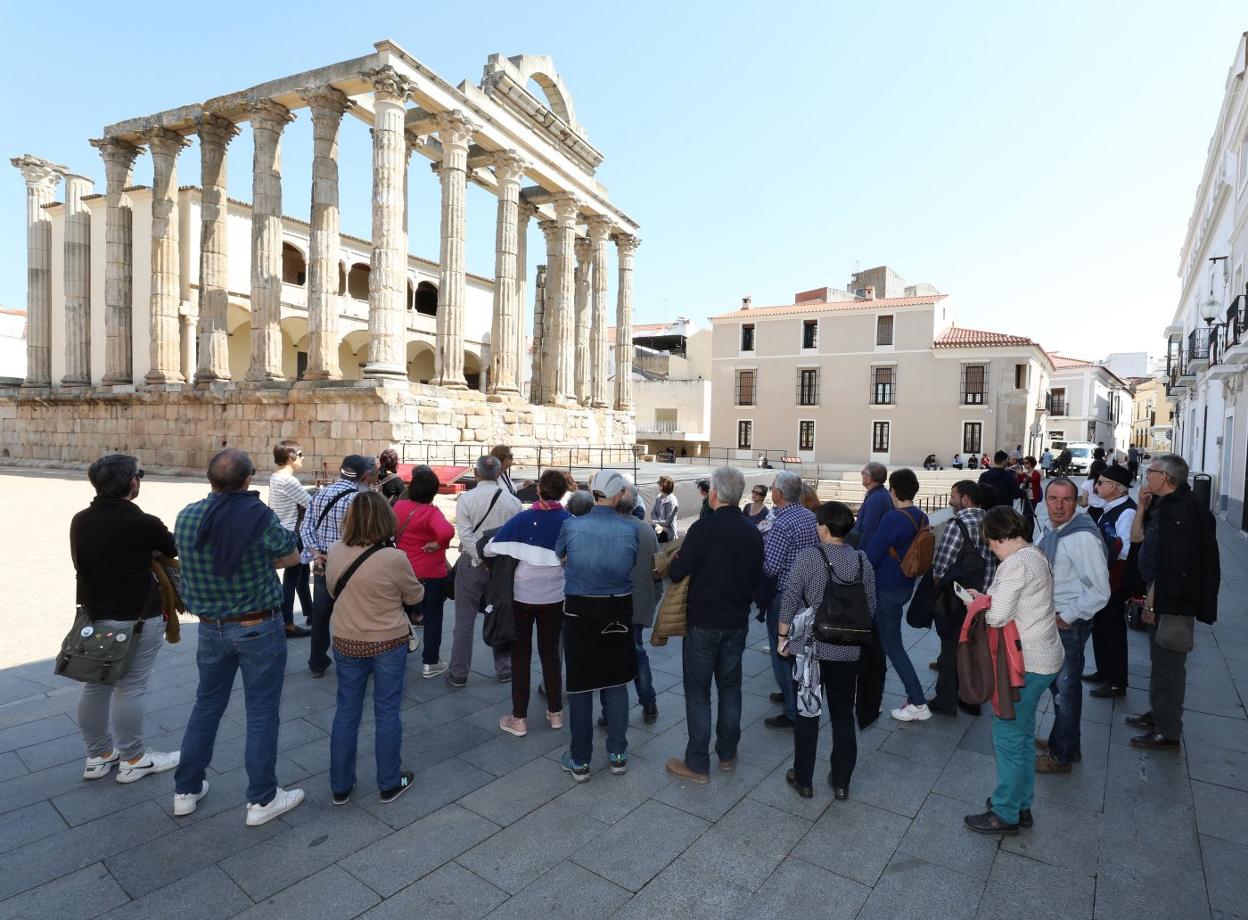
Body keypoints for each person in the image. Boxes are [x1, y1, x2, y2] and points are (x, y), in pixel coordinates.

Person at [172, 449, 303, 825]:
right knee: (261, 712)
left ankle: (186, 789)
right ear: (247, 481)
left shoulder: (187, 515)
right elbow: (292, 556)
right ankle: (262, 799)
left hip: (211, 627)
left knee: (206, 705)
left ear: (210, 479)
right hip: (256, 625)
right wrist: (263, 562)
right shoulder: (257, 518)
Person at [70, 454, 180, 783]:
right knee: (130, 688)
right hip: (136, 618)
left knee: (95, 686)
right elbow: (170, 548)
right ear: (132, 483)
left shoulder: (80, 519)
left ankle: (98, 755)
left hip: (95, 616)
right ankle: (133, 757)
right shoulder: (143, 522)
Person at [963, 506, 1064, 835]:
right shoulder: (1035, 555)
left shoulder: (1015, 564)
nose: (990, 548)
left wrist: (976, 605)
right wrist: (986, 597)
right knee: (1021, 735)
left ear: (1002, 537)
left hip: (1025, 664)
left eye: (991, 542)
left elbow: (996, 617)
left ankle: (1005, 812)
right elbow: (1011, 601)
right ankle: (1021, 805)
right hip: (1044, 658)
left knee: (1007, 737)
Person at [665, 466, 763, 783]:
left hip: (703, 622)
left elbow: (678, 573)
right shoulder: (752, 531)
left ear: (716, 494)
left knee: (698, 692)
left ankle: (696, 763)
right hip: (736, 621)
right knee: (730, 688)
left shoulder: (703, 529)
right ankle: (727, 753)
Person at [325, 491, 423, 805]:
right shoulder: (393, 557)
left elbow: (331, 590)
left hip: (346, 638)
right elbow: (415, 596)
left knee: (346, 712)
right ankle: (389, 782)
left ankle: (340, 786)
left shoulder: (336, 549)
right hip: (387, 641)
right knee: (387, 712)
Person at [777, 501, 875, 799]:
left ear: (823, 527)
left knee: (808, 713)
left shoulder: (810, 557)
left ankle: (803, 779)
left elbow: (790, 598)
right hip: (848, 651)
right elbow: (870, 606)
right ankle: (842, 782)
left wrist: (783, 637)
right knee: (843, 716)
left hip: (812, 650)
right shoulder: (861, 560)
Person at [1127, 454, 1220, 751]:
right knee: (1159, 660)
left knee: (1169, 664)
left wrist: (1152, 604)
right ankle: (1158, 713)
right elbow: (1137, 537)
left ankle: (1168, 730)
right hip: (1160, 592)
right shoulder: (1163, 505)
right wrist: (1142, 506)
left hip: (1172, 599)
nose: (1147, 476)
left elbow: (1175, 565)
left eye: (1151, 472)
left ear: (1165, 477)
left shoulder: (1182, 511)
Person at [556, 470, 639, 780]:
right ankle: (617, 753)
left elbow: (560, 556)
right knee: (616, 682)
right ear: (618, 496)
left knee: (580, 685)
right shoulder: (630, 530)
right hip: (617, 606)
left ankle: (580, 760)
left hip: (580, 609)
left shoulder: (571, 525)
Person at [485, 469, 572, 736]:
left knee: (521, 655)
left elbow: (491, 548)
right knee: (550, 654)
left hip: (522, 595)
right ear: (563, 492)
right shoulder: (569, 521)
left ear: (538, 490)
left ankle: (519, 718)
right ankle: (555, 712)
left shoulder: (524, 518)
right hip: (555, 596)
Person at [1032, 477, 1110, 775]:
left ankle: (1061, 754)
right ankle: (1068, 743)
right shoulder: (1054, 532)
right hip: (1053, 621)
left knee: (1065, 690)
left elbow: (1100, 590)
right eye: (1053, 498)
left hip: (1067, 625)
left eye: (1066, 499)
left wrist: (1068, 616)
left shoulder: (1082, 538)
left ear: (1076, 502)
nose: (1058, 505)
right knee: (1061, 688)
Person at [448, 455, 522, 687]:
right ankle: (505, 669)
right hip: (501, 567)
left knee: (464, 621)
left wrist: (480, 556)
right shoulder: (513, 502)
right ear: (499, 473)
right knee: (500, 616)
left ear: (476, 473)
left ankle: (459, 671)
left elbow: (465, 534)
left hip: (472, 564)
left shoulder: (466, 499)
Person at [301, 455, 376, 678]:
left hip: (324, 565)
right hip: (351, 568)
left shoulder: (320, 493)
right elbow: (363, 537)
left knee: (321, 615)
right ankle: (357, 659)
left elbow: (306, 528)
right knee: (356, 614)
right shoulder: (360, 500)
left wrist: (317, 553)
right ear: (364, 475)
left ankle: (317, 662)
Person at [865, 468, 931, 722]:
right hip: (905, 585)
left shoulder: (893, 518)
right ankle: (875, 697)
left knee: (892, 646)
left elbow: (871, 554)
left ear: (893, 490)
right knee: (882, 643)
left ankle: (917, 700)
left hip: (886, 588)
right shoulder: (920, 516)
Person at [926, 480, 995, 717]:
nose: (951, 501)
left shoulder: (959, 522)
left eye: (954, 496)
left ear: (965, 499)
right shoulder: (990, 521)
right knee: (973, 648)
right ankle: (972, 699)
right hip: (983, 596)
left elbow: (942, 562)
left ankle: (946, 699)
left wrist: (935, 586)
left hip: (958, 597)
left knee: (950, 647)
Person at [762, 470, 820, 729]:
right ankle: (791, 693)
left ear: (778, 494)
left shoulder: (782, 523)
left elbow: (770, 567)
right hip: (807, 592)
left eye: (773, 488)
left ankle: (791, 709)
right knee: (798, 648)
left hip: (785, 594)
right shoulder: (809, 516)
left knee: (782, 649)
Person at [392, 465, 454, 677]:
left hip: (402, 569)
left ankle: (395, 656)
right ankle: (430, 661)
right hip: (430, 573)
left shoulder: (398, 507)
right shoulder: (432, 513)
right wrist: (437, 545)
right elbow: (447, 531)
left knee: (399, 615)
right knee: (434, 617)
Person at [1084, 464, 1136, 700]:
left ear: (1116, 487)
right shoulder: (1110, 507)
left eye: (1102, 482)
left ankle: (1116, 681)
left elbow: (1124, 549)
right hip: (1102, 576)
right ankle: (1103, 671)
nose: (1096, 486)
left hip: (1114, 579)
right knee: (1100, 626)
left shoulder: (1127, 512)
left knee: (1112, 629)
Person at [615, 485, 661, 724]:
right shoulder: (646, 530)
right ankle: (649, 702)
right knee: (637, 652)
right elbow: (657, 569)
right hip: (638, 603)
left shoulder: (609, 528)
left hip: (613, 605)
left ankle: (609, 711)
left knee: (615, 657)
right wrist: (654, 598)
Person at [268, 440, 312, 638]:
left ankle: (310, 613)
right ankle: (288, 623)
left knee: (302, 575)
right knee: (293, 579)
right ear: (289, 457)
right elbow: (310, 504)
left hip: (284, 531)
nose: (302, 457)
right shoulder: (288, 480)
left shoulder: (275, 477)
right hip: (293, 534)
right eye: (300, 454)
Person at [855, 462, 891, 550]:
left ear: (869, 479)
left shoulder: (876, 499)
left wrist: (859, 556)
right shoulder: (878, 494)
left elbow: (869, 531)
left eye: (863, 473)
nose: (862, 474)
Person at [652, 475, 679, 543]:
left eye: (659, 483)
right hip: (659, 527)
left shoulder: (672, 502)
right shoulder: (659, 497)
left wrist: (656, 522)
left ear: (663, 486)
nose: (658, 485)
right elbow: (653, 513)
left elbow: (667, 523)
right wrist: (657, 523)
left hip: (668, 533)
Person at [1021, 457, 1042, 536]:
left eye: (1026, 463)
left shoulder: (1036, 473)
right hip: (1026, 497)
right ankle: (1026, 533)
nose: (1024, 464)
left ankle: (1029, 536)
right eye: (1024, 463)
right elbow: (1019, 480)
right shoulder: (1025, 473)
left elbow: (1032, 480)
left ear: (1031, 464)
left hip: (1033, 498)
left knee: (1029, 516)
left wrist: (1022, 474)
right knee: (1025, 515)